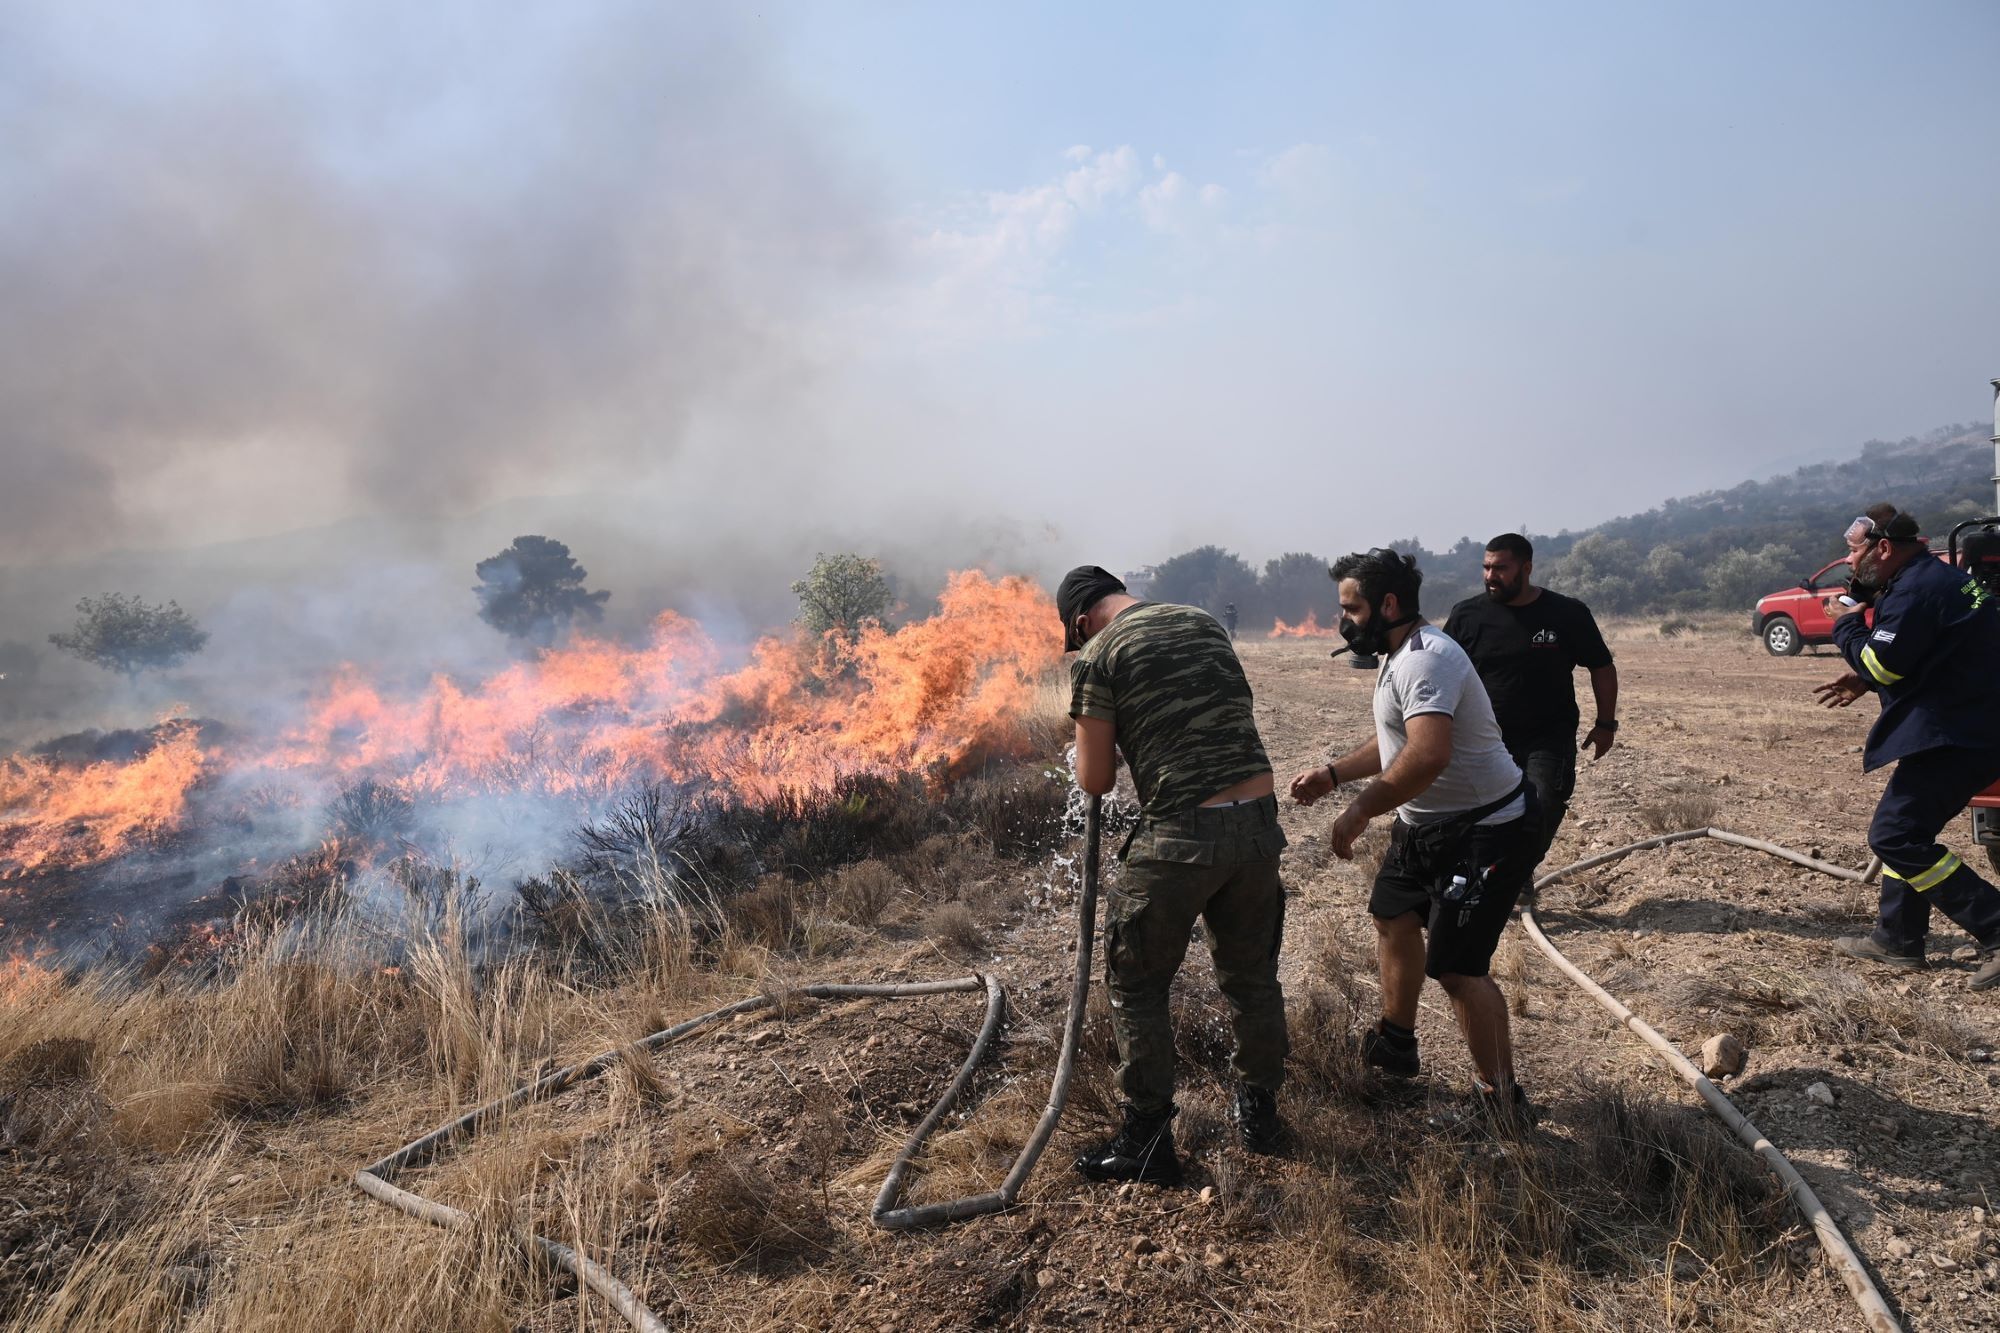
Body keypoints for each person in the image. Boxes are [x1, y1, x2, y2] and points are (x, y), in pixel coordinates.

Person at [1289, 549, 1541, 1119]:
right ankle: (1397, 1042)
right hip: (1423, 826)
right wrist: (1334, 774)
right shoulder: (1398, 655)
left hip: (1485, 830)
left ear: (1388, 605)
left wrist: (1361, 809)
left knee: (1457, 968)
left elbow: (1428, 755)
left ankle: (1502, 1100)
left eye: (1351, 609)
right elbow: (1397, 743)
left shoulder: (1428, 659)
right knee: (1393, 916)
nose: (1343, 620)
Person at [1059, 565, 1290, 1183]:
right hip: (1259, 827)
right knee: (1252, 977)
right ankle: (1261, 1117)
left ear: (1080, 622)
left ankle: (1147, 1139)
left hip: (1181, 834)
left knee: (1136, 981)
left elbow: (1095, 780)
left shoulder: (1099, 653)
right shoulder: (1203, 622)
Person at [1814, 510, 2000, 990]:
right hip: (1964, 723)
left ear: (1883, 548)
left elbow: (1884, 664)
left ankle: (1995, 926)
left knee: (1895, 835)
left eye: (1854, 550)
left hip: (1960, 733)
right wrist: (1866, 676)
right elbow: (1932, 652)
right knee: (1908, 829)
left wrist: (1846, 625)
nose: (1848, 561)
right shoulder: (1928, 578)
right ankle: (1898, 937)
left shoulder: (1915, 590)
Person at [1443, 534, 1617, 869]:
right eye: (1486, 567)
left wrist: (1606, 724)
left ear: (1527, 568)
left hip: (1549, 736)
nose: (1490, 576)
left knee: (1542, 805)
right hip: (1485, 736)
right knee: (1480, 812)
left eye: (1500, 568)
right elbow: (1443, 672)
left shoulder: (1567, 613)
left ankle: (1515, 875)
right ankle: (1486, 875)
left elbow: (1602, 667)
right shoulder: (1467, 615)